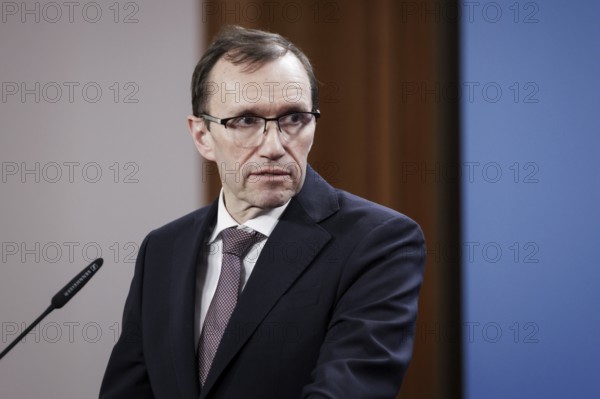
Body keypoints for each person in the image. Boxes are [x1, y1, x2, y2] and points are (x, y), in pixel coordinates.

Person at [100, 25, 426, 399]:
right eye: (246, 121)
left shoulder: (379, 241)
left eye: (293, 118)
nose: (273, 146)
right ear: (202, 135)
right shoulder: (162, 249)